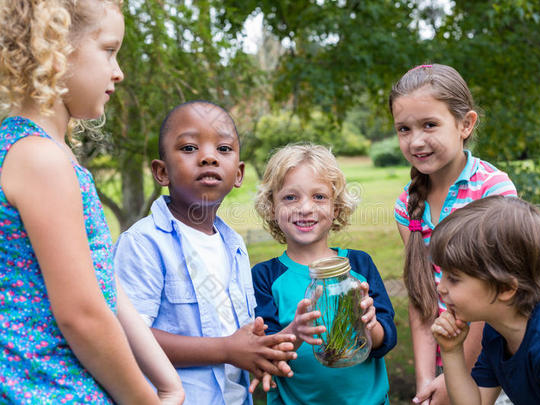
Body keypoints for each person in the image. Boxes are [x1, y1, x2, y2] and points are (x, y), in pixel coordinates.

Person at [0, 0, 184, 403]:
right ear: (56, 50)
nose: (118, 72)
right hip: (47, 390)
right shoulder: (38, 159)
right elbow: (82, 315)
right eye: (108, 50)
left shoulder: (54, 155)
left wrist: (169, 383)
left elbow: (104, 284)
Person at [113, 100, 297, 405]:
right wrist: (226, 349)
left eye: (223, 149)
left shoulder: (234, 244)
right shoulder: (144, 244)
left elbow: (239, 335)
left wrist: (274, 344)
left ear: (238, 174)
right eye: (189, 148)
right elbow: (126, 338)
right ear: (161, 172)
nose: (209, 157)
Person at [389, 63, 518, 405]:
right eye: (404, 129)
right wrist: (426, 382)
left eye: (429, 125)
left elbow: (490, 297)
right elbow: (422, 297)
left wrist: (454, 376)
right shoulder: (406, 205)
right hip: (444, 351)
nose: (416, 141)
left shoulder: (493, 191)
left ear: (466, 124)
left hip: (494, 361)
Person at [426, 195, 540, 405]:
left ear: (505, 288)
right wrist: (451, 351)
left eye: (454, 279)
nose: (440, 288)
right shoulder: (497, 332)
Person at [251, 143, 397, 404]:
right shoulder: (265, 276)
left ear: (336, 207)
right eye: (290, 197)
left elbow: (386, 338)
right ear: (272, 207)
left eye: (319, 197)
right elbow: (265, 355)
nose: (305, 208)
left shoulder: (360, 265)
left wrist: (370, 327)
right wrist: (295, 332)